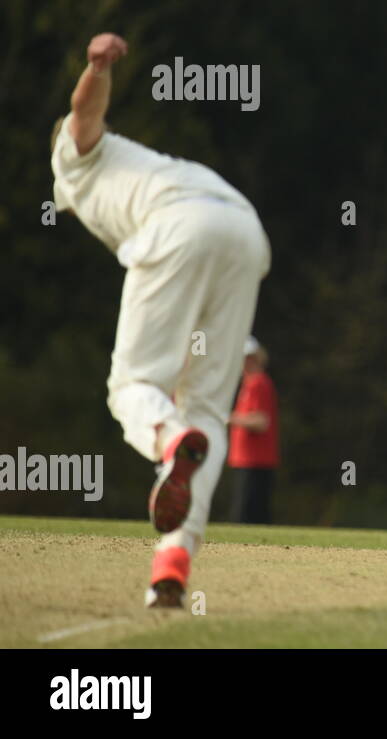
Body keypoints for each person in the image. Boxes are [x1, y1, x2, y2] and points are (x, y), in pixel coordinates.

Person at [50, 32, 271, 606]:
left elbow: (81, 115)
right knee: (206, 410)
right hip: (245, 233)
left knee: (132, 387)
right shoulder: (146, 165)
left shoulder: (78, 156)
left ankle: (172, 440)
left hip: (179, 227)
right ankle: (172, 561)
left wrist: (96, 67)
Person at [227, 336, 280, 524]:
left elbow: (261, 421)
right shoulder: (249, 384)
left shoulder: (259, 383)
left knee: (248, 515)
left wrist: (227, 417)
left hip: (255, 459)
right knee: (248, 513)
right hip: (246, 459)